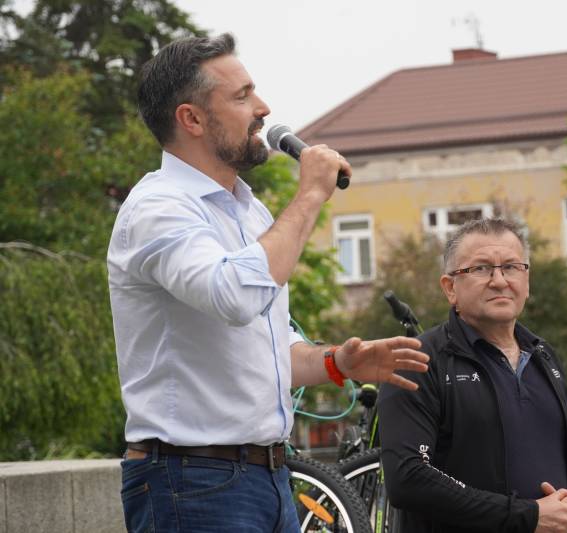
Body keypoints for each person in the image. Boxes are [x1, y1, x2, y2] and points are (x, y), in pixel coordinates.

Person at [107, 33, 429, 532]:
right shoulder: (158, 209)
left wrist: (338, 361)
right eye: (242, 97)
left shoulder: (249, 210)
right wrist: (309, 195)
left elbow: (269, 347)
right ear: (191, 119)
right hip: (191, 481)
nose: (263, 108)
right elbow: (235, 297)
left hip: (268, 476)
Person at [378, 217, 567, 533]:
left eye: (511, 267)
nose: (499, 280)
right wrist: (527, 516)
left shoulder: (543, 355)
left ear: (526, 280)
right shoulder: (417, 360)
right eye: (481, 268)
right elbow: (408, 477)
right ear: (450, 287)